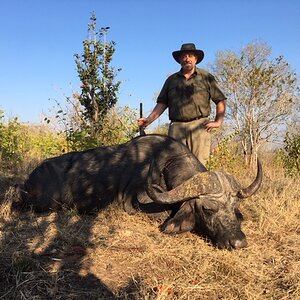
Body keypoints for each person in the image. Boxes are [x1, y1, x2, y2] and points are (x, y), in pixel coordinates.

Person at [138, 43, 226, 165]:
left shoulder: (206, 77)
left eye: (190, 56)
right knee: (176, 167)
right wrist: (148, 120)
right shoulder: (171, 80)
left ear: (195, 59)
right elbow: (162, 104)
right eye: (184, 56)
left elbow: (220, 100)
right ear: (179, 60)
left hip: (199, 127)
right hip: (176, 128)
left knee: (199, 167)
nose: (187, 59)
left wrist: (218, 121)